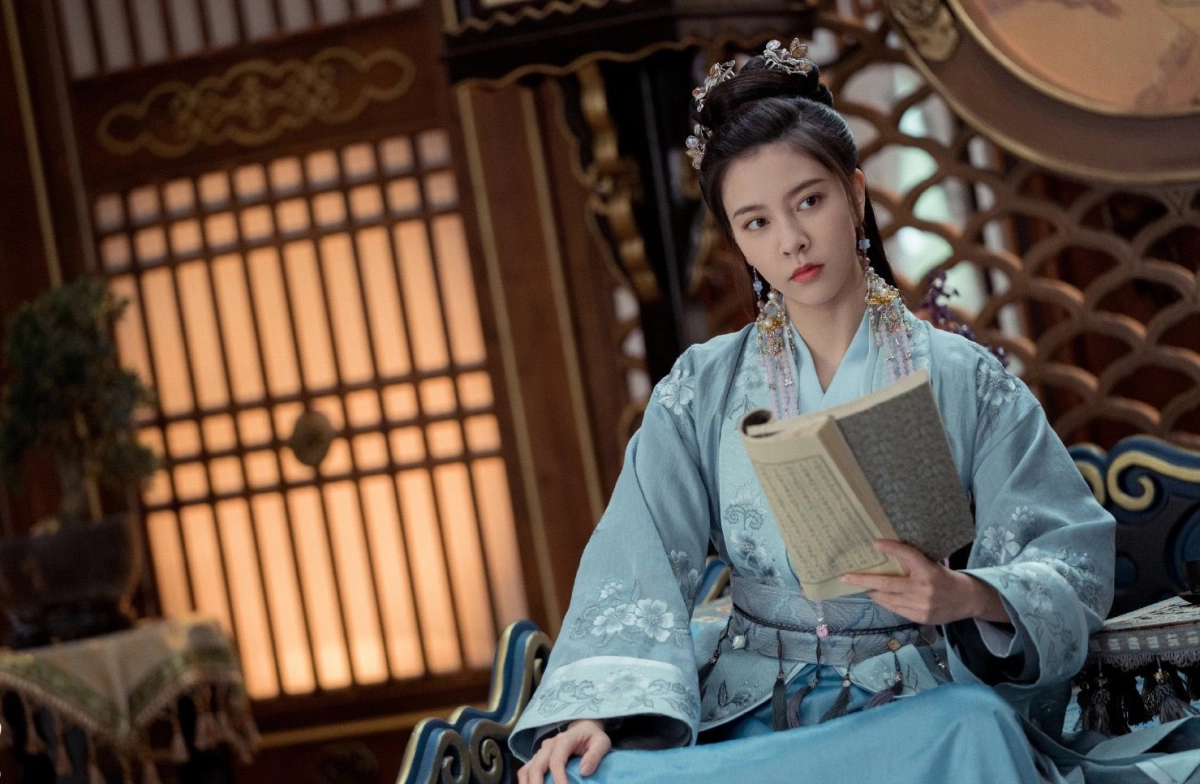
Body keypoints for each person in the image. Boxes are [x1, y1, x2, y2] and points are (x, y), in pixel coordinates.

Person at [509, 40, 1200, 784]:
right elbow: (635, 559)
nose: (792, 241)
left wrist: (963, 594)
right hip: (753, 712)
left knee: (974, 727)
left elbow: (1069, 559)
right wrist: (596, 713)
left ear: (856, 194)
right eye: (756, 222)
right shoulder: (700, 389)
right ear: (736, 238)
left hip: (914, 706)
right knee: (592, 776)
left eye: (809, 201)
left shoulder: (963, 378)